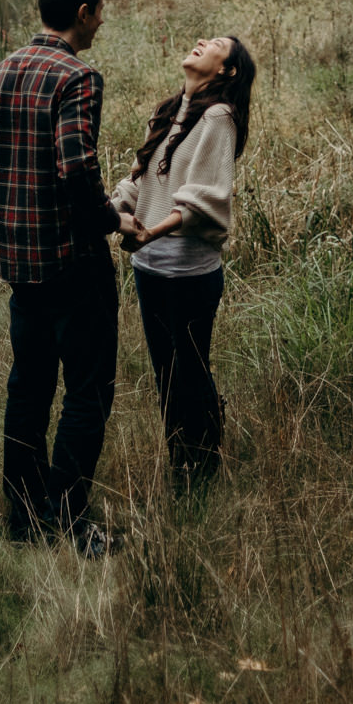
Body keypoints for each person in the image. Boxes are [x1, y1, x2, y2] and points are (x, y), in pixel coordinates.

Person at [0, 0, 135, 554]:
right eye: (99, 11)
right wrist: (113, 221)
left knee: (28, 388)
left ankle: (24, 519)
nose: (101, 22)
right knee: (88, 393)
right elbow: (77, 167)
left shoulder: (0, 70)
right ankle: (72, 522)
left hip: (18, 261)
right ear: (83, 13)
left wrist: (14, 201)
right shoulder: (77, 77)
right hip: (73, 261)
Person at [113, 35, 256, 495]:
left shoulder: (218, 117)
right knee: (165, 372)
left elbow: (205, 199)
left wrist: (148, 233)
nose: (200, 42)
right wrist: (106, 212)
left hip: (187, 270)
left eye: (214, 44)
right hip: (149, 267)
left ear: (225, 71)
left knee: (188, 370)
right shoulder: (174, 108)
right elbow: (145, 182)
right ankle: (183, 465)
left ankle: (202, 472)